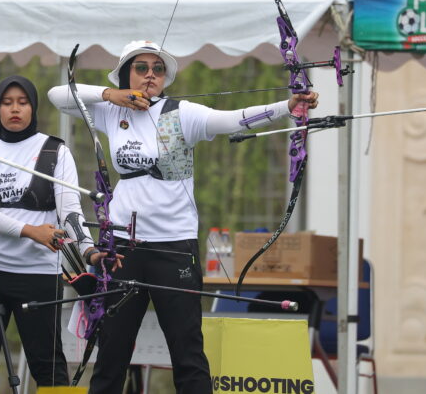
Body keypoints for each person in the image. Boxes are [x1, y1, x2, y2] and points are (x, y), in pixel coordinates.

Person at [47, 40, 319, 394]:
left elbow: (234, 120)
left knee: (186, 350)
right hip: (122, 248)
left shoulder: (182, 113)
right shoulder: (110, 111)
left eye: (157, 69)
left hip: (174, 246)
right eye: (141, 68)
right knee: (112, 350)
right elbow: (58, 94)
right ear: (127, 72)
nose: (150, 76)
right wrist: (110, 95)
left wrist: (287, 106)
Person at [0, 75, 97, 393]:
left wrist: (89, 251)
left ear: (33, 107)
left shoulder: (54, 151)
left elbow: (70, 209)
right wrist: (30, 231)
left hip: (39, 274)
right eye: (7, 103)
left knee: (48, 366)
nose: (15, 109)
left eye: (23, 102)